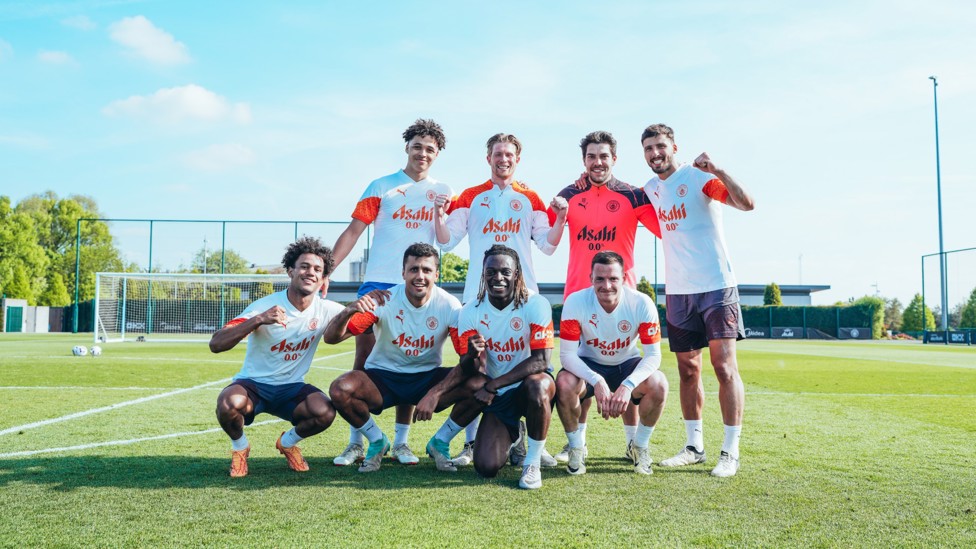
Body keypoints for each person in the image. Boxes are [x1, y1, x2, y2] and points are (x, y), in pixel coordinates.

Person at [433, 133, 566, 465]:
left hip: (523, 297)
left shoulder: (530, 197)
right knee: (478, 370)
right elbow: (448, 242)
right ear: (488, 158)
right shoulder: (471, 196)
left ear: (517, 159)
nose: (503, 159)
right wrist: (437, 214)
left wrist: (561, 218)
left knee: (524, 370)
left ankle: (529, 443)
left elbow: (547, 245)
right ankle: (470, 442)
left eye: (509, 154)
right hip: (478, 297)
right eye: (497, 154)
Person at [330, 118, 453, 467]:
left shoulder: (444, 190)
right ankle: (358, 440)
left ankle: (401, 442)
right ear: (407, 148)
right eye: (417, 146)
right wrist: (328, 271)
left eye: (430, 148)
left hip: (417, 283)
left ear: (437, 153)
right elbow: (354, 231)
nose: (423, 153)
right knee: (363, 360)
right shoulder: (381, 186)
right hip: (380, 284)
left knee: (413, 362)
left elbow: (450, 234)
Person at [640, 123, 755, 477]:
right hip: (678, 292)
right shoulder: (650, 190)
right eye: (648, 149)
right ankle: (694, 446)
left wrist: (718, 169)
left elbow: (747, 204)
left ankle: (730, 451)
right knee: (688, 371)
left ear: (674, 146)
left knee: (724, 367)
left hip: (717, 287)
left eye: (660, 146)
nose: (655, 153)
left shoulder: (698, 177)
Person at [324, 243, 485, 473]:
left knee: (480, 384)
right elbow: (331, 338)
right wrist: (349, 310)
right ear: (403, 273)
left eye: (427, 270)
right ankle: (378, 441)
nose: (420, 276)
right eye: (414, 269)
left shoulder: (449, 305)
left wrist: (435, 392)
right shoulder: (384, 300)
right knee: (340, 389)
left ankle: (440, 443)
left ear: (436, 274)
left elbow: (466, 362)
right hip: (382, 379)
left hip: (426, 379)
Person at [551, 130, 662, 462]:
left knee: (627, 364)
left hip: (621, 295)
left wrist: (664, 188)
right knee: (582, 369)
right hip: (579, 295)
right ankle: (578, 444)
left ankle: (633, 443)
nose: (597, 163)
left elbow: (664, 227)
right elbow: (547, 233)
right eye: (591, 157)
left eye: (603, 156)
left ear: (614, 158)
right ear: (583, 160)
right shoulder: (568, 194)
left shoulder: (633, 194)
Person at [211, 236, 344, 478]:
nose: (310, 273)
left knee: (324, 411)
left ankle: (288, 442)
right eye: (304, 266)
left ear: (324, 279)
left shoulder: (328, 310)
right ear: (291, 271)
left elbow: (367, 325)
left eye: (317, 269)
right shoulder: (264, 306)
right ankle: (240, 448)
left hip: (291, 389)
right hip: (254, 387)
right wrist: (258, 320)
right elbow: (216, 344)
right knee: (229, 404)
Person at [447, 245, 556, 490]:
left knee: (537, 386)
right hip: (500, 395)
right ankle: (515, 435)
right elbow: (470, 366)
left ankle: (532, 462)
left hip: (529, 386)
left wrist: (493, 384)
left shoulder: (536, 303)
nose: (498, 277)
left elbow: (541, 360)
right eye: (491, 271)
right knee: (486, 467)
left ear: (517, 274)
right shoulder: (471, 311)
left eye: (506, 272)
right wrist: (471, 355)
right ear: (483, 274)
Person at [554, 251, 668, 476]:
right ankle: (577, 448)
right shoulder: (575, 301)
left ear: (624, 278)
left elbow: (653, 355)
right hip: (589, 362)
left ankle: (639, 447)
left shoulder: (642, 303)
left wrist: (627, 385)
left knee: (659, 383)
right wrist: (596, 380)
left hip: (627, 363)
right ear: (591, 279)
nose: (606, 285)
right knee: (564, 382)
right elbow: (567, 355)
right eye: (600, 279)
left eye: (613, 279)